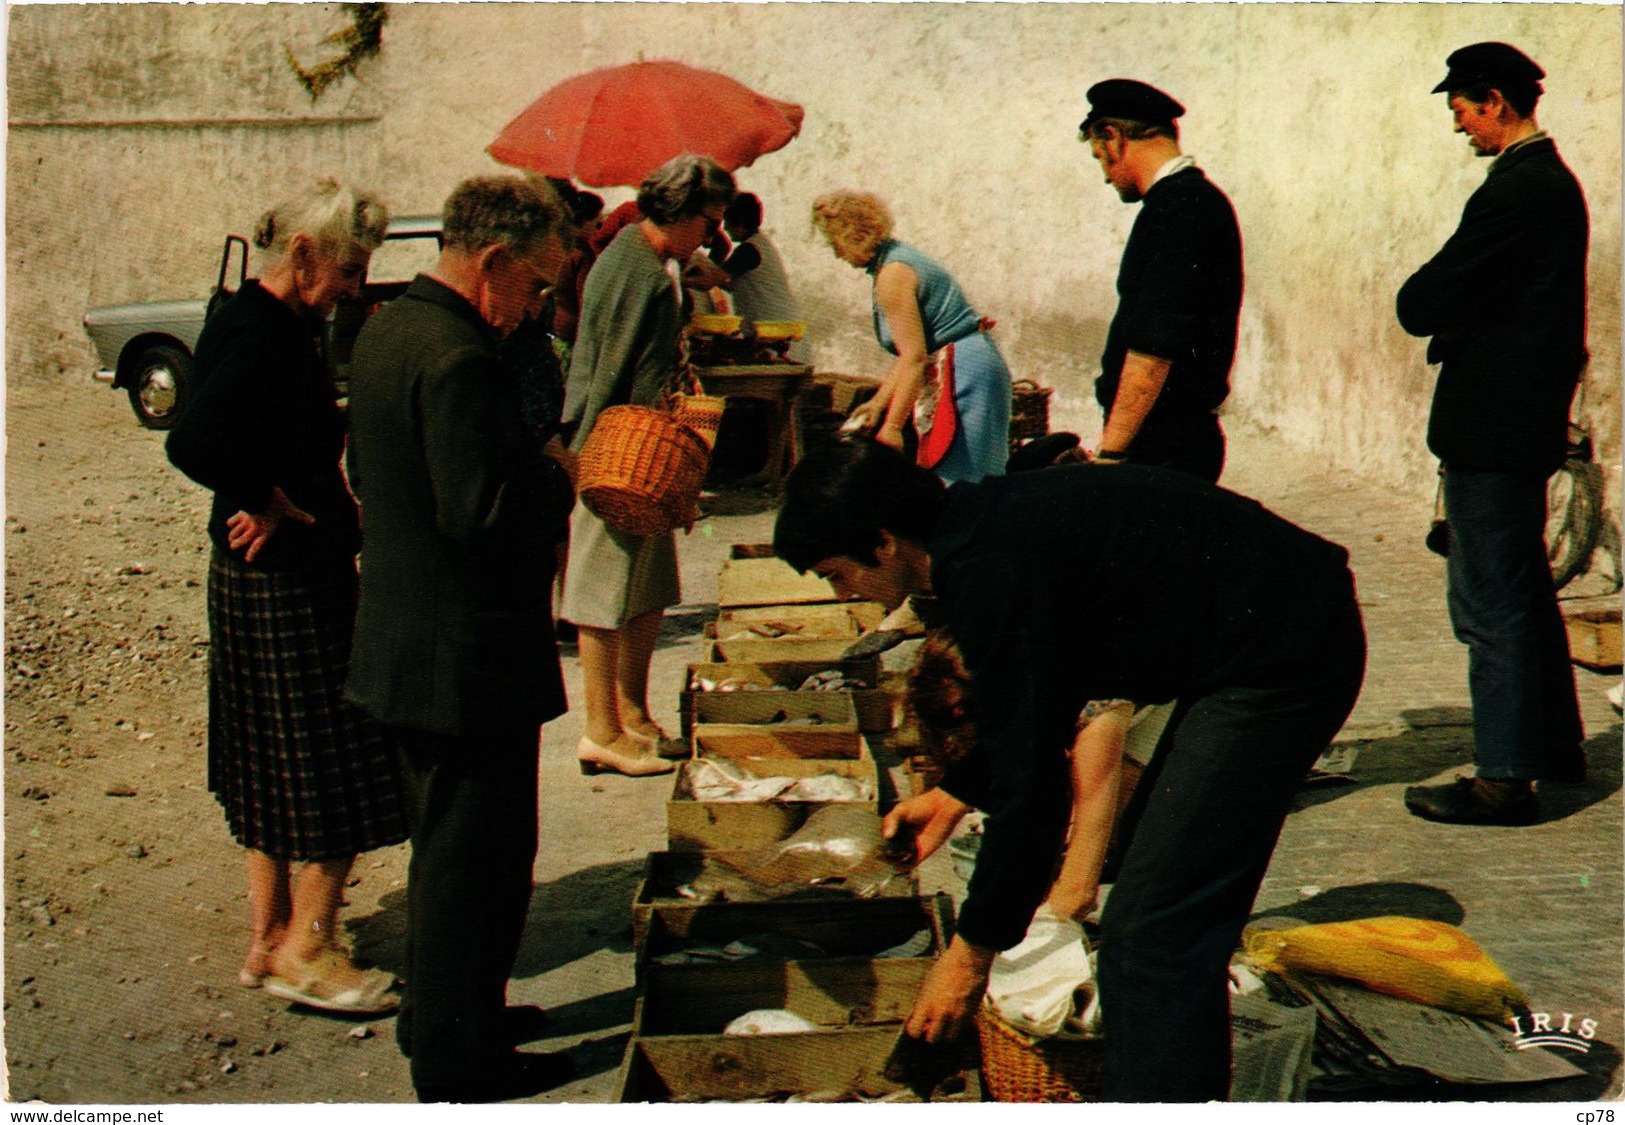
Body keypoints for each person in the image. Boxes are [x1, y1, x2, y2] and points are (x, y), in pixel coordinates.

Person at [773, 439, 1366, 1101]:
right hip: (1251, 637)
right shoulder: (977, 532)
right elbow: (1034, 705)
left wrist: (970, 955)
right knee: (1154, 924)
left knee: (1151, 937)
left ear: (882, 542)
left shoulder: (986, 566)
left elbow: (1034, 797)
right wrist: (955, 793)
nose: (843, 590)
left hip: (1284, 655)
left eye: (835, 572)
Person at [344, 176, 576, 1102]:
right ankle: (456, 1059)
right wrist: (555, 474)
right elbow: (480, 511)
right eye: (536, 283)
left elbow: (376, 470)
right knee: (473, 859)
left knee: (452, 852)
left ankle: (453, 1008)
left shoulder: (391, 329)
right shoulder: (457, 356)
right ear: (491, 262)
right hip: (461, 657)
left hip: (411, 644)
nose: (538, 304)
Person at [164, 178, 406, 1015]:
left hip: (257, 580)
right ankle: (310, 947)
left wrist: (260, 487)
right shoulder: (266, 332)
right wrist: (259, 494)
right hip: (291, 581)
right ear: (303, 253)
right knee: (329, 763)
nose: (352, 286)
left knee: (268, 763)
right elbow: (192, 436)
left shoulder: (254, 317)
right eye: (347, 268)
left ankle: (268, 937)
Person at [1396, 42, 1589, 826]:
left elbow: (1424, 298)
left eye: (1463, 112)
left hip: (1492, 430)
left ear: (1496, 103)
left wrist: (1439, 305)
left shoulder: (1516, 192)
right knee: (1521, 589)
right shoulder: (1550, 186)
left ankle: (1505, 775)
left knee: (1490, 603)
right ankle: (1551, 746)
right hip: (1520, 424)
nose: (1460, 129)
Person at [559, 153, 737, 777]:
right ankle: (600, 730)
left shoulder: (657, 263)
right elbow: (607, 368)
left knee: (648, 587)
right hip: (621, 450)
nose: (713, 234)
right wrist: (602, 460)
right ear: (681, 211)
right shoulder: (629, 267)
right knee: (602, 589)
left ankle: (632, 715)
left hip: (651, 446)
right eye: (709, 221)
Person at [1080, 79, 1243, 483]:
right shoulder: (1185, 202)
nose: (1105, 176)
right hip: (1168, 441)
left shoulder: (1180, 209)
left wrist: (1111, 454)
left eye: (1101, 157)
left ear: (1113, 138)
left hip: (1163, 447)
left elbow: (1153, 349)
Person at [811, 189, 1012, 484]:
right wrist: (877, 405)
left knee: (963, 484)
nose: (836, 253)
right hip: (968, 362)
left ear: (851, 235)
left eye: (834, 243)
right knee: (969, 481)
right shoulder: (897, 259)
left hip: (963, 371)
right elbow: (912, 355)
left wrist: (892, 426)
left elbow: (914, 358)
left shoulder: (893, 275)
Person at [721, 191, 807, 362]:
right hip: (782, 332)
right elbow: (730, 283)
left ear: (740, 223)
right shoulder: (761, 244)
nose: (724, 228)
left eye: (727, 223)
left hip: (778, 336)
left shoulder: (748, 250)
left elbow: (712, 277)